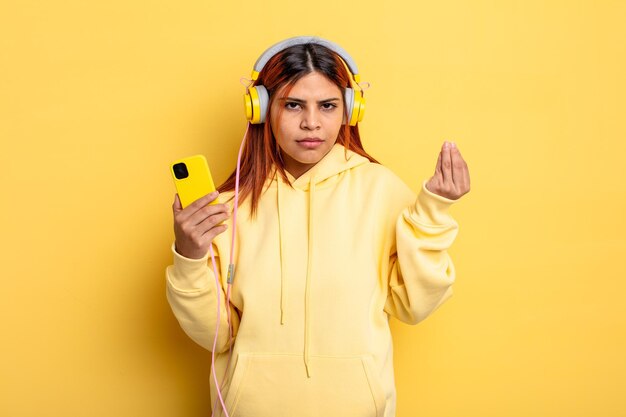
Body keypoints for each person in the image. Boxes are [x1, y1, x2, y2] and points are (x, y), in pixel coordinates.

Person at [166, 36, 470, 417]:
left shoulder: (380, 189)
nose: (311, 123)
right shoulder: (229, 205)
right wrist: (190, 257)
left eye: (327, 106)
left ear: (348, 111)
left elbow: (413, 305)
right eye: (293, 105)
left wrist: (434, 212)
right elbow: (216, 335)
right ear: (260, 109)